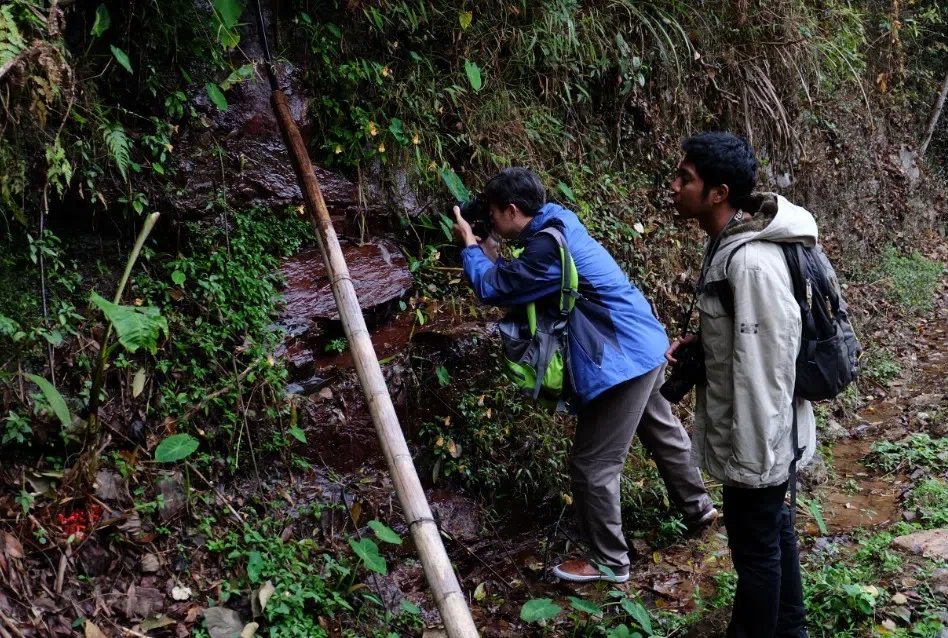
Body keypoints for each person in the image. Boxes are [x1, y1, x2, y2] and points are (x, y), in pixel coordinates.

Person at [451, 166, 716, 584]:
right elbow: (522, 279)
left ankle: (611, 561)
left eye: (493, 214)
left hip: (619, 358)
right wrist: (491, 246)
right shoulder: (558, 222)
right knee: (661, 430)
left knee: (593, 463)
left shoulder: (545, 249)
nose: (491, 222)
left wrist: (469, 245)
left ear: (513, 209)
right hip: (642, 340)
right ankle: (698, 509)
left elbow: (496, 288)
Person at [666, 132, 815, 637]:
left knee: (755, 552)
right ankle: (791, 629)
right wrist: (705, 342)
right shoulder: (729, 244)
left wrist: (753, 464)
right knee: (772, 534)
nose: (673, 186)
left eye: (684, 178)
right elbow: (745, 340)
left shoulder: (749, 263)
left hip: (760, 435)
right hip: (763, 433)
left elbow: (766, 371)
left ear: (718, 192)